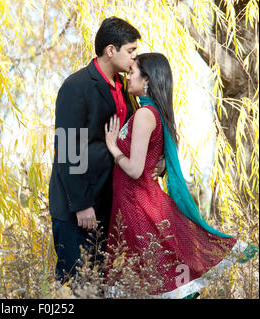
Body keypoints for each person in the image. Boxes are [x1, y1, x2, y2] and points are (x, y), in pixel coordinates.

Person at [104, 52, 258, 298]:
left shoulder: (145, 115)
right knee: (144, 277)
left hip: (136, 204)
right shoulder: (149, 111)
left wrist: (113, 147)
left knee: (146, 279)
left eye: (132, 71)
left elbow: (134, 170)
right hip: (131, 202)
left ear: (148, 80)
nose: (128, 76)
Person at [49, 17, 164, 284]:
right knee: (79, 285)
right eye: (131, 51)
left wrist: (158, 161)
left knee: (101, 285)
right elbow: (68, 148)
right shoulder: (77, 87)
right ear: (111, 51)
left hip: (110, 205)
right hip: (78, 208)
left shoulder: (125, 90)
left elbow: (137, 135)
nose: (135, 58)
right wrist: (81, 204)